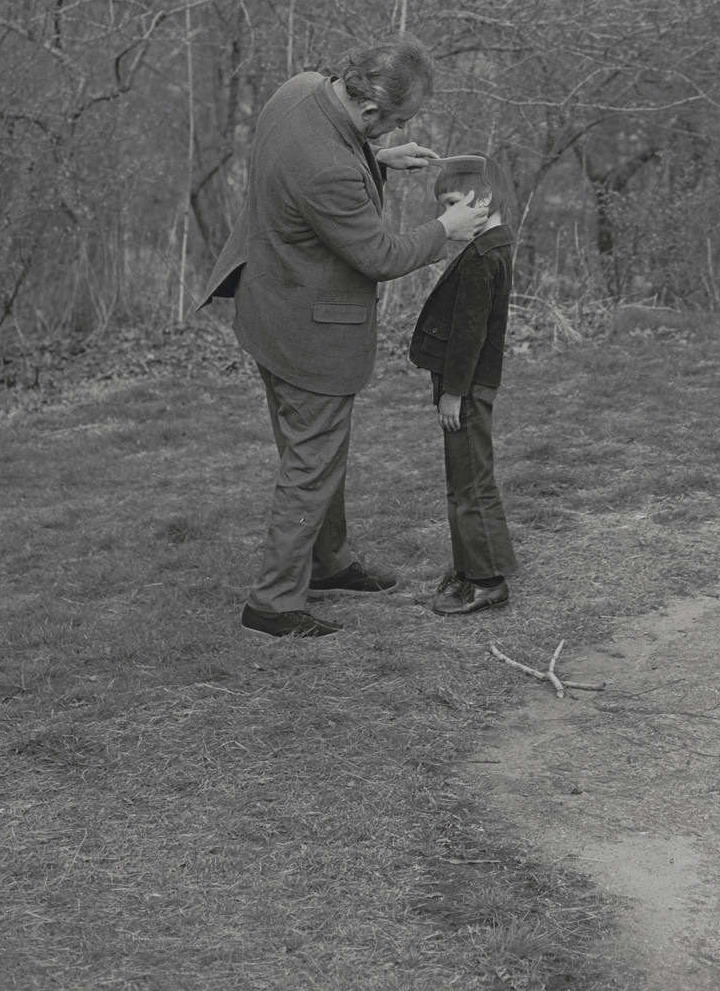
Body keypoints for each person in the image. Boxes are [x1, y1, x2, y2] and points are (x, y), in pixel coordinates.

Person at [201, 41, 488, 639]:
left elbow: (308, 166)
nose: (402, 130)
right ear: (369, 109)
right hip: (308, 330)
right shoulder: (329, 170)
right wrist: (446, 229)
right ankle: (274, 603)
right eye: (397, 122)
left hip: (269, 304)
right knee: (311, 462)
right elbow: (378, 255)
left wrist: (380, 158)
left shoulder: (301, 88)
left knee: (313, 453)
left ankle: (326, 565)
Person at [407, 155, 520, 615]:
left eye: (453, 202)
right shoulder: (491, 246)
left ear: (485, 198)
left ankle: (487, 581)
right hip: (468, 385)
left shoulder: (481, 258)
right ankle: (471, 567)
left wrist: (453, 393)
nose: (445, 215)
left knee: (469, 482)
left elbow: (470, 334)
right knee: (465, 480)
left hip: (467, 388)